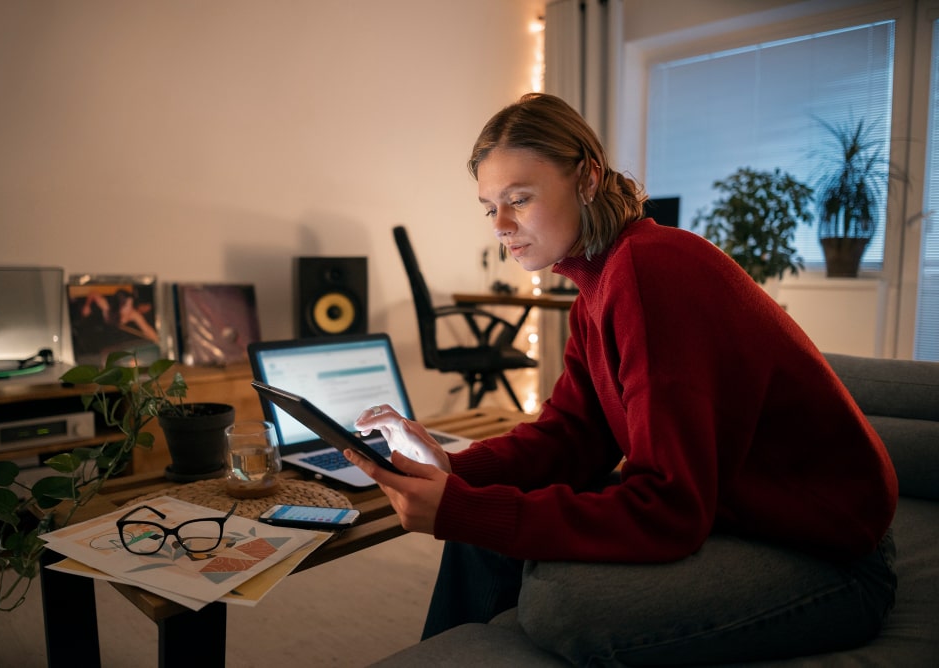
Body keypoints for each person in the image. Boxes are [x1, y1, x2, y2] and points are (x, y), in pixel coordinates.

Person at [345, 93, 898, 665]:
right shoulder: (597, 290)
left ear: (587, 178)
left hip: (829, 555)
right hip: (732, 512)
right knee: (474, 527)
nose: (502, 226)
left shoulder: (650, 269)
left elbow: (668, 510)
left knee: (556, 605)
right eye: (490, 208)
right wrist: (453, 467)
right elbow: (573, 439)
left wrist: (465, 508)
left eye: (520, 199)